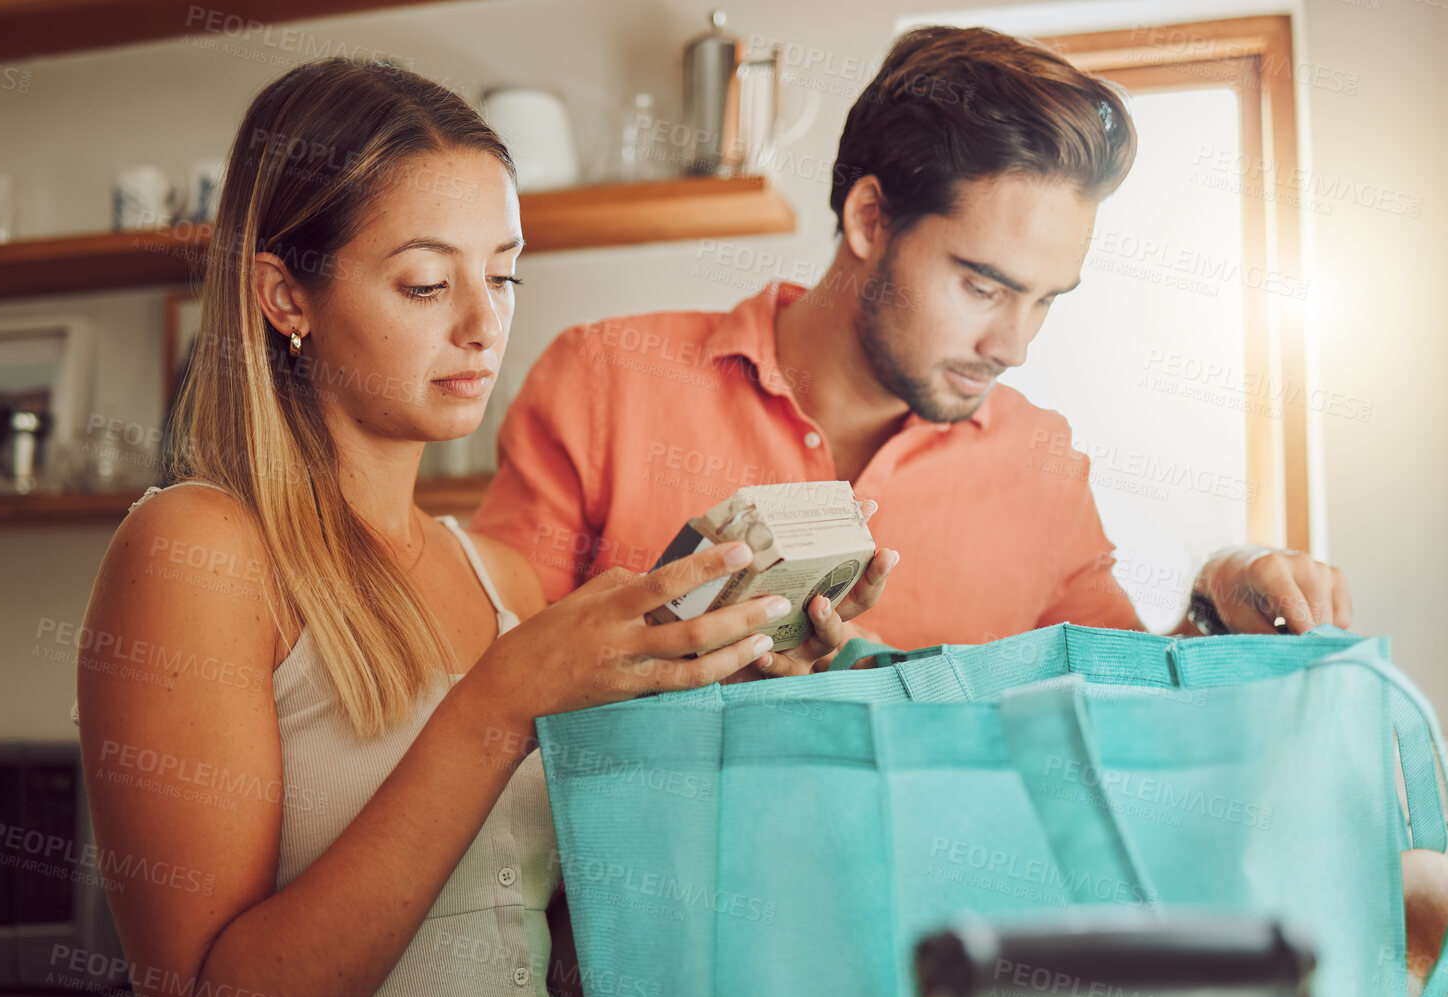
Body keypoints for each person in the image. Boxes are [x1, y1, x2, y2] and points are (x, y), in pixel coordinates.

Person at [72, 58, 886, 997]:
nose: (480, 324)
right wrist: (497, 705)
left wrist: (733, 673)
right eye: (422, 284)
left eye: (503, 276)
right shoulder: (197, 552)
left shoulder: (499, 574)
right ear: (284, 295)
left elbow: (552, 936)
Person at [471, 24, 1353, 653]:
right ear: (869, 216)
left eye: (1047, 300)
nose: (1014, 344)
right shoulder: (606, 381)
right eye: (983, 285)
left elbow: (1117, 712)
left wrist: (1216, 600)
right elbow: (492, 681)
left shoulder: (1040, 461)